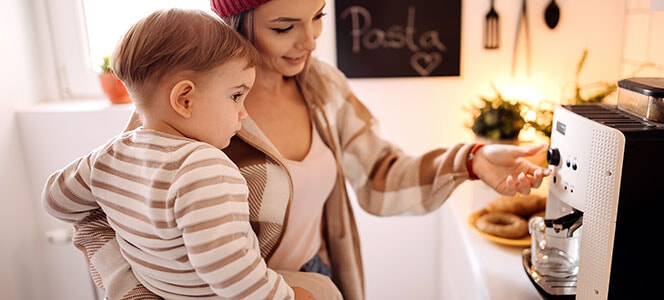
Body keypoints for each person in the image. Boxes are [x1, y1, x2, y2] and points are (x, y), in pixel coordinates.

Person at [70, 1, 552, 299]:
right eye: (285, 27)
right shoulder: (187, 104)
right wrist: (140, 295)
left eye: (317, 17)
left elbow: (380, 172)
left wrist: (470, 161)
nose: (310, 42)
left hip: (313, 278)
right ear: (235, 20)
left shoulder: (321, 85)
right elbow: (97, 213)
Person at [41, 8, 319, 299]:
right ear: (184, 99)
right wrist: (288, 297)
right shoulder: (205, 167)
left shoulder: (109, 156)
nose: (243, 112)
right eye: (236, 95)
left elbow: (55, 201)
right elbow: (230, 271)